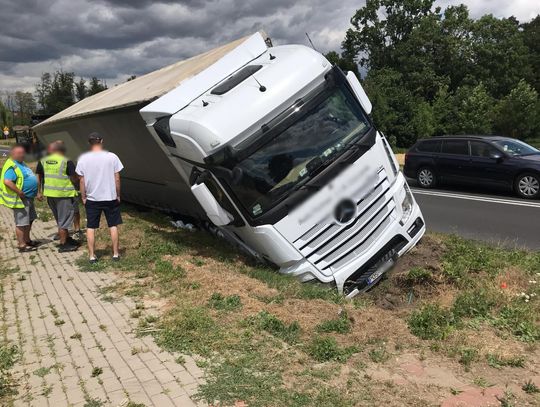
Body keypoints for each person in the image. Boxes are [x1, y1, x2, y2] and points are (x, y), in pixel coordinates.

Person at [76, 132, 123, 263]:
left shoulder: (83, 159)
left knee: (91, 227)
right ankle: (115, 254)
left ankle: (92, 256)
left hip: (92, 199)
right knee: (113, 225)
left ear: (89, 143)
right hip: (110, 197)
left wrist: (83, 197)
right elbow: (117, 178)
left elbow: (81, 181)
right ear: (101, 141)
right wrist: (118, 195)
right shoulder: (112, 157)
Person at [36, 140, 80, 252]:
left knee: (60, 219)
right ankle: (63, 244)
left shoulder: (43, 161)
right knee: (64, 220)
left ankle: (67, 239)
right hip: (63, 195)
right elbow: (73, 178)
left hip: (50, 195)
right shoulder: (66, 161)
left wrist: (39, 191)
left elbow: (39, 176)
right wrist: (79, 180)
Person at [0, 144, 39, 252]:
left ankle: (27, 240)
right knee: (21, 223)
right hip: (21, 200)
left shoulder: (21, 163)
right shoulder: (12, 165)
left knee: (29, 220)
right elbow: (7, 181)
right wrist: (19, 192)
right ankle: (22, 245)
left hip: (29, 198)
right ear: (12, 154)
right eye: (19, 153)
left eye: (23, 153)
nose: (22, 155)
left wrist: (37, 193)